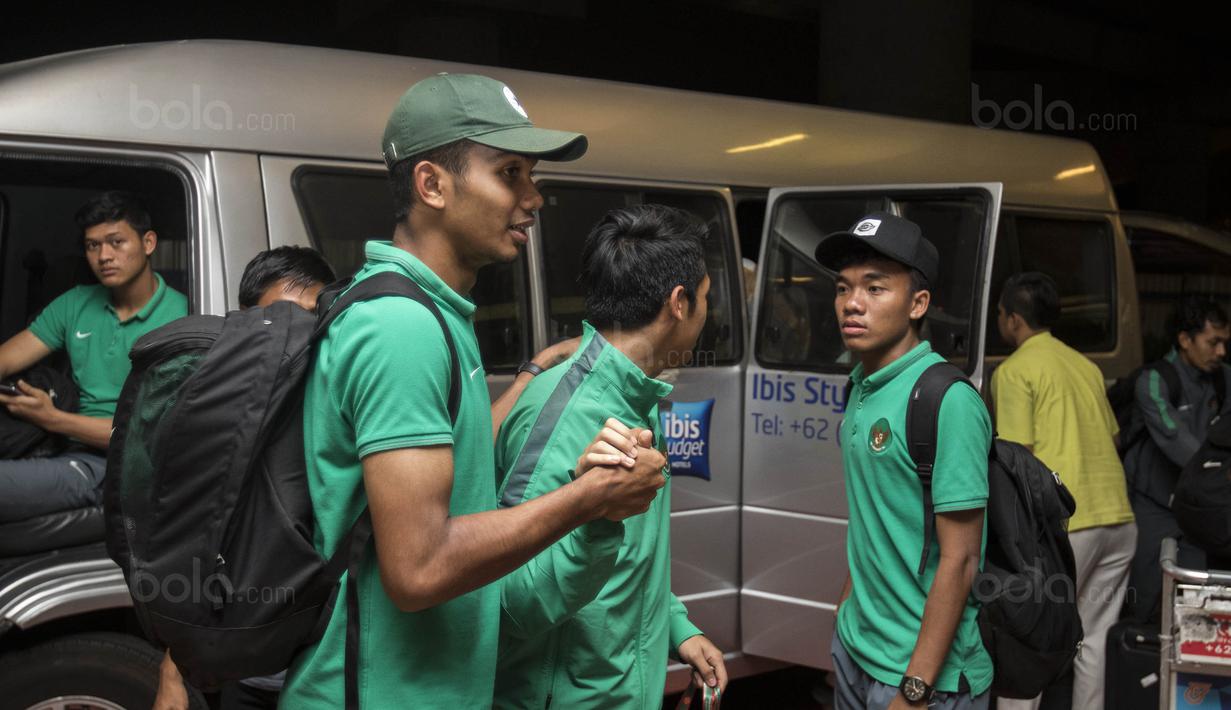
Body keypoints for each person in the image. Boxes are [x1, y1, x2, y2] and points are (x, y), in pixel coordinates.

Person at [280, 73, 669, 709]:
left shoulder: (432, 313)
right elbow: (418, 569)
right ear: (432, 184)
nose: (534, 198)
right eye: (510, 173)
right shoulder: (400, 326)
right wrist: (588, 498)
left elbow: (442, 467)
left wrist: (527, 380)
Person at [493, 204, 728, 708]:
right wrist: (595, 514)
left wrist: (676, 627)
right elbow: (508, 602)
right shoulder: (566, 415)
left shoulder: (637, 398)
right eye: (707, 300)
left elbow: (628, 564)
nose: (708, 316)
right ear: (680, 303)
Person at [815, 212, 992, 709]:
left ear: (918, 304)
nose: (852, 303)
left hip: (920, 677)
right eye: (843, 288)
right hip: (856, 650)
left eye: (875, 288)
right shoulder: (862, 386)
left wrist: (915, 690)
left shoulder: (946, 400)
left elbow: (959, 560)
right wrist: (846, 609)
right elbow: (872, 516)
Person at [150, 245, 337, 710]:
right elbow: (199, 542)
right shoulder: (232, 422)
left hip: (329, 671)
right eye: (279, 319)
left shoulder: (345, 401)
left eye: (310, 317)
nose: (297, 335)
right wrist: (172, 669)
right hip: (254, 673)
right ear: (247, 324)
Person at [990, 272, 1136, 710]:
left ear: (1013, 319)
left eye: (1000, 314)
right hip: (1119, 520)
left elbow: (1016, 460)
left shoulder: (1015, 371)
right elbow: (1112, 439)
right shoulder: (1086, 366)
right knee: (1091, 638)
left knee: (1026, 634)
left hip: (1069, 526)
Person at [0, 191, 187, 521]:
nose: (104, 256)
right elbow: (8, 358)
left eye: (116, 242)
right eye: (93, 245)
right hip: (60, 445)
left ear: (148, 243)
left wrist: (52, 418)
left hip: (118, 465)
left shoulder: (183, 317)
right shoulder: (76, 303)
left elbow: (149, 436)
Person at [1125, 297, 1231, 623]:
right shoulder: (1155, 381)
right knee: (1145, 592)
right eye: (1213, 342)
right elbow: (1177, 442)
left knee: (1199, 598)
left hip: (1201, 507)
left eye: (1225, 343)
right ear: (1185, 340)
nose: (1221, 352)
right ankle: (1138, 658)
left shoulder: (1224, 378)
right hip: (1155, 504)